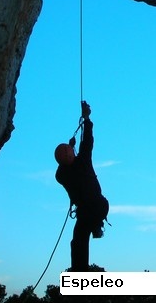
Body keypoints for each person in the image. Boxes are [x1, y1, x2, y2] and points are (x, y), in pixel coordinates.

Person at [55, 101, 109, 272]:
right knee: (81, 235)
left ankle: (80, 272)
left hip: (86, 212)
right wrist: (86, 118)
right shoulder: (83, 161)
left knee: (78, 241)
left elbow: (62, 167)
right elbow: (87, 141)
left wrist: (70, 147)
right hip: (99, 206)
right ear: (72, 154)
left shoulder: (62, 176)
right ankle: (97, 225)